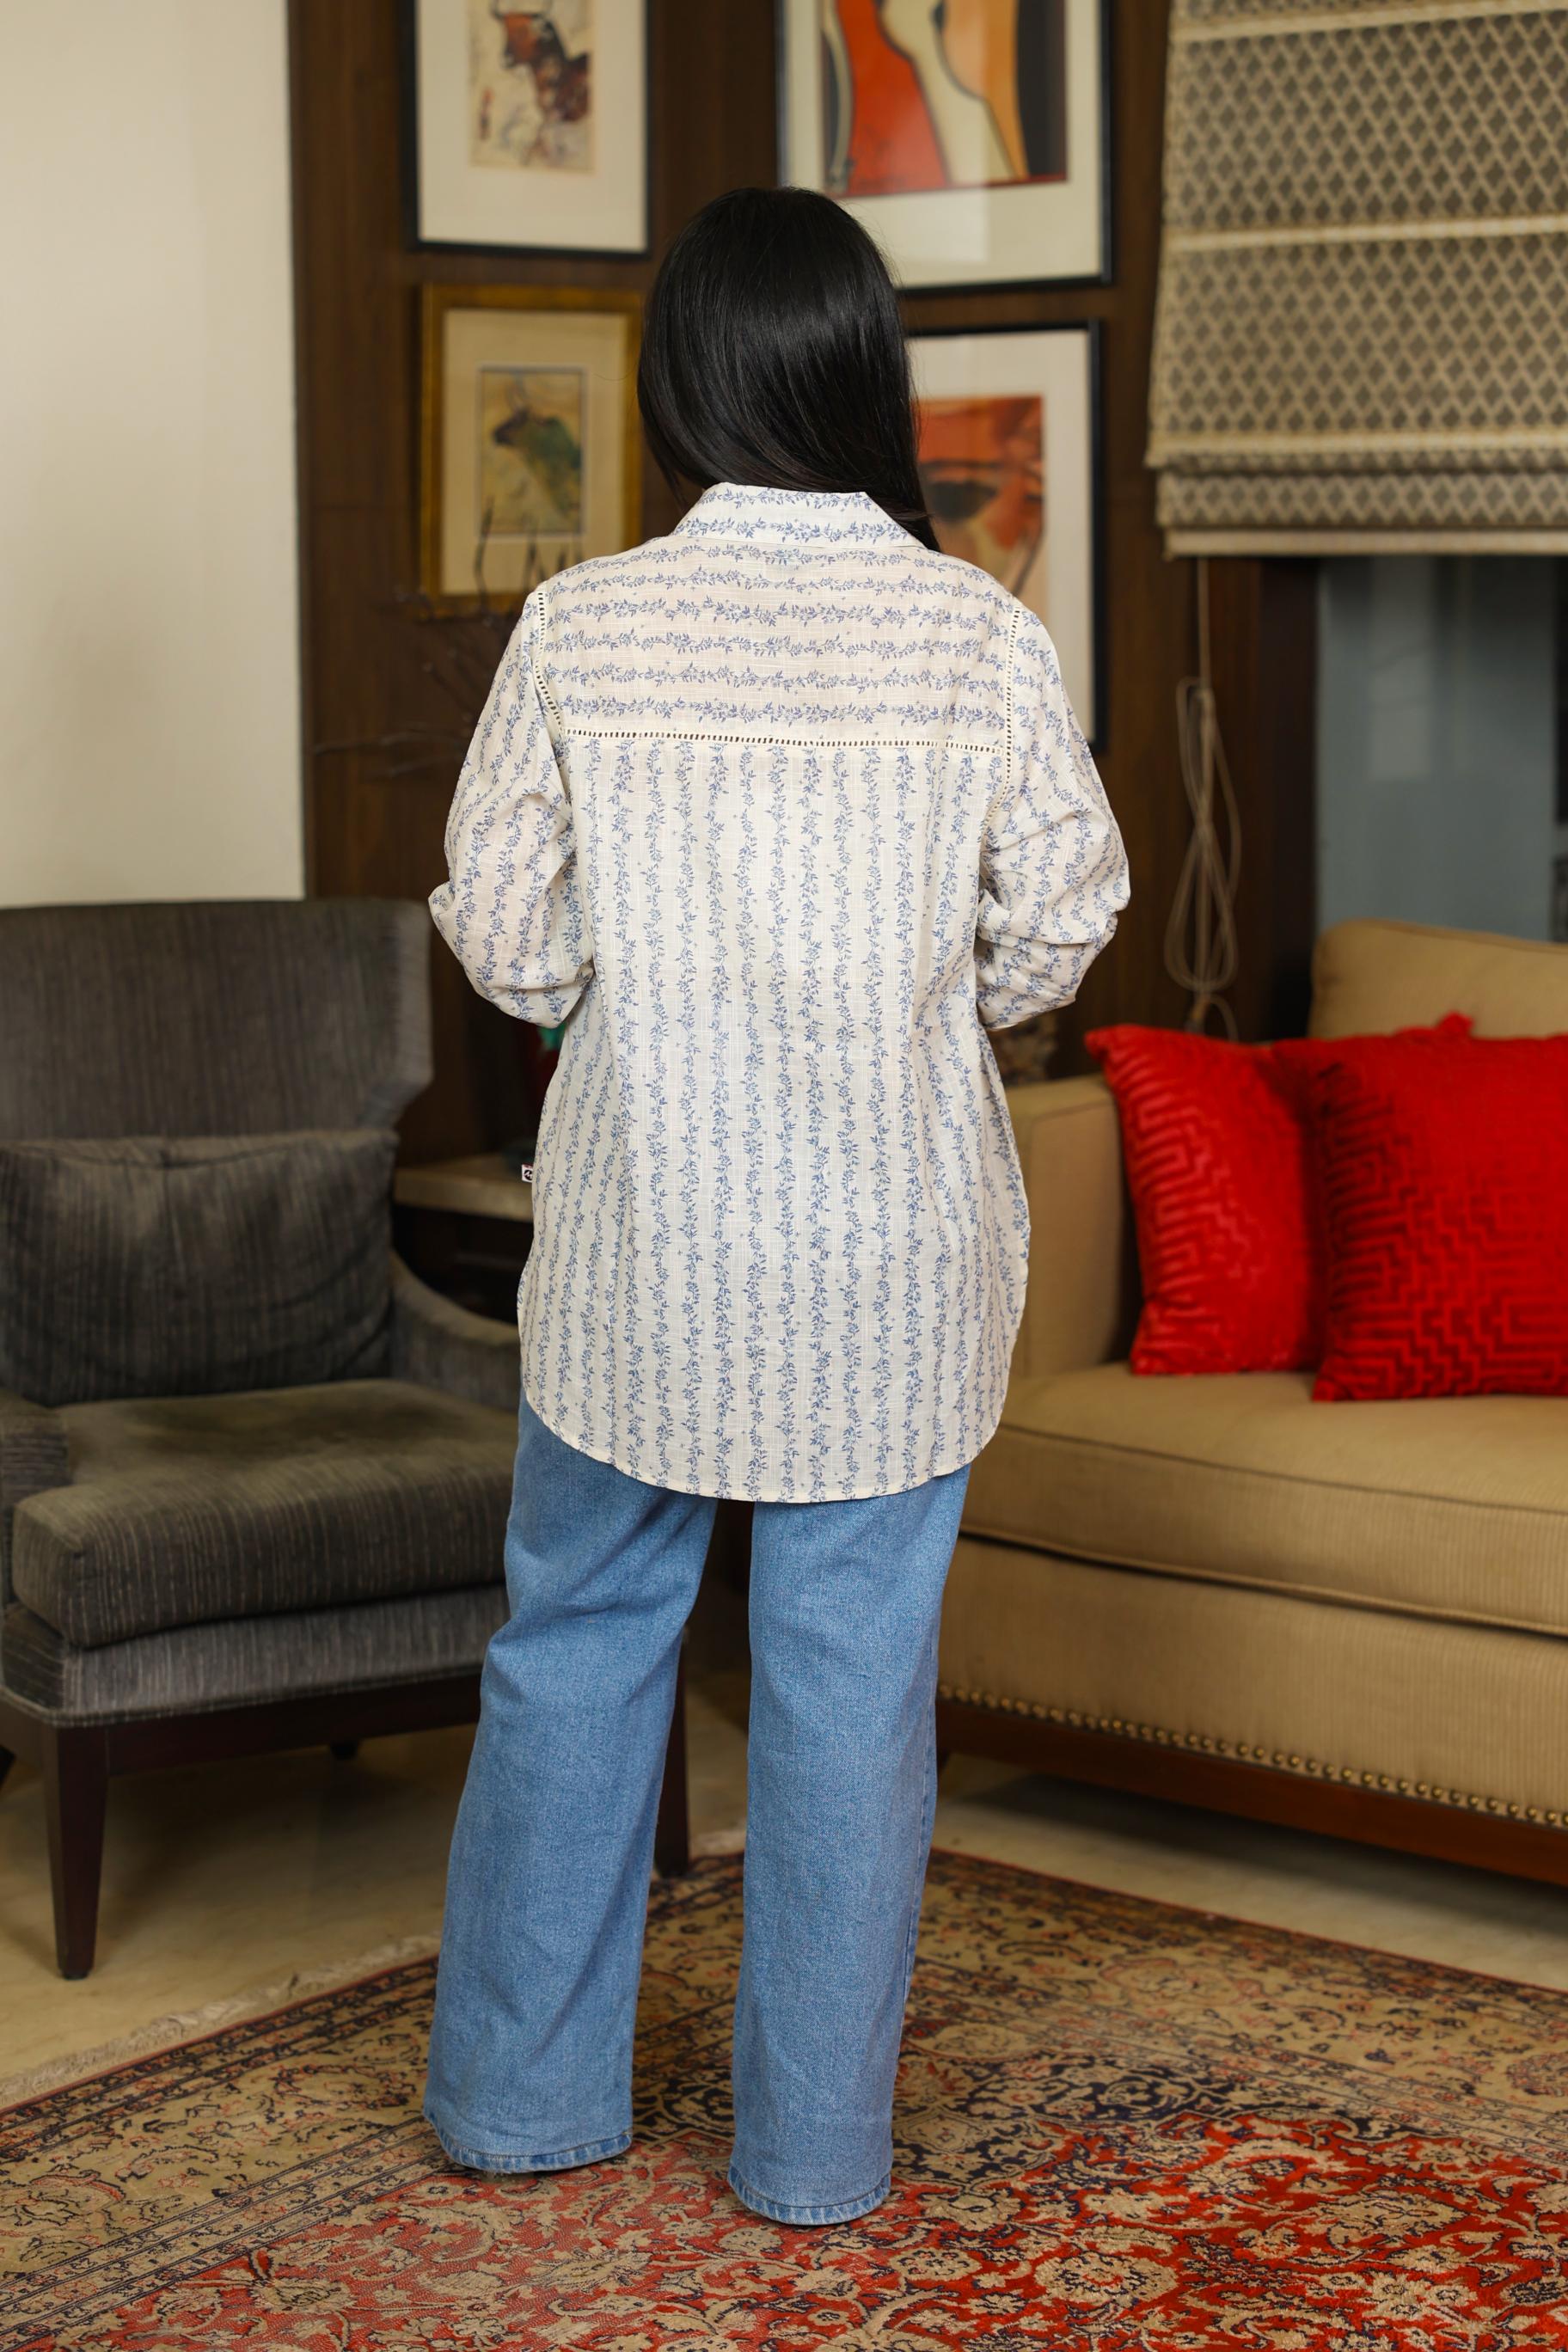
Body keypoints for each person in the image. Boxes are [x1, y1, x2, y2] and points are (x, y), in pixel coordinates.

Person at [423, 184, 1129, 2228]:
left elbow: (505, 927)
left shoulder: (586, 624)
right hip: (889, 1265)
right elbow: (1065, 914)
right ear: (860, 373)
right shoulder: (978, 635)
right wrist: (929, 1003)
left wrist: (625, 1001)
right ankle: (811, 2155)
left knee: (575, 1652)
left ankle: (521, 2105)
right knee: (847, 1696)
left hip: (644, 1250)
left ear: (680, 383)